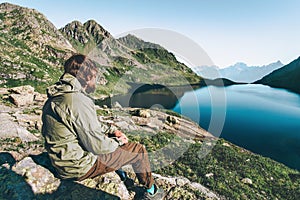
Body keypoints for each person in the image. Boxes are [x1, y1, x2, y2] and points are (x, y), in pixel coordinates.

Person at [42, 54, 165, 199]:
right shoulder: (77, 101)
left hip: (62, 161)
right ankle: (151, 192)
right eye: (95, 77)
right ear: (87, 77)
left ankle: (123, 176)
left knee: (112, 142)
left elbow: (86, 126)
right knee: (138, 151)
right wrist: (120, 142)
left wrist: (112, 131)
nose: (96, 81)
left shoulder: (60, 95)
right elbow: (97, 146)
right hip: (78, 167)